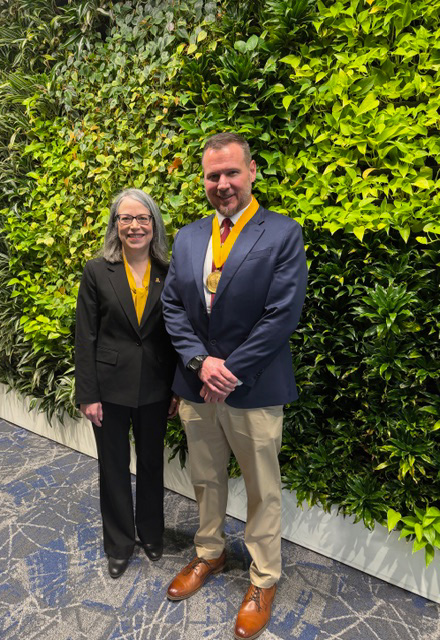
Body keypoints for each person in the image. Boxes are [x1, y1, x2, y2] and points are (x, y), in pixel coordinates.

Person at [161, 133, 308, 639]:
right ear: (203, 180)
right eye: (212, 175)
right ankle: (210, 553)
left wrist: (230, 369)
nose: (222, 184)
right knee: (205, 478)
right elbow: (173, 307)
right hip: (197, 384)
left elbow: (282, 313)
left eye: (231, 173)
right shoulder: (187, 237)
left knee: (262, 489)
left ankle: (264, 578)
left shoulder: (283, 232)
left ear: (251, 172)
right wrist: (201, 363)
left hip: (253, 387)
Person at [75, 188, 177, 579]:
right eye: (126, 218)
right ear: (115, 225)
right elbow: (86, 336)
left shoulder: (169, 271)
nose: (134, 226)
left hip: (155, 386)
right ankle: (118, 544)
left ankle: (151, 533)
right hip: (109, 388)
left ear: (154, 224)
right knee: (113, 466)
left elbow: (176, 335)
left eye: (142, 218)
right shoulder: (96, 270)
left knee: (152, 463)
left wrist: (177, 389)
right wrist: (88, 394)